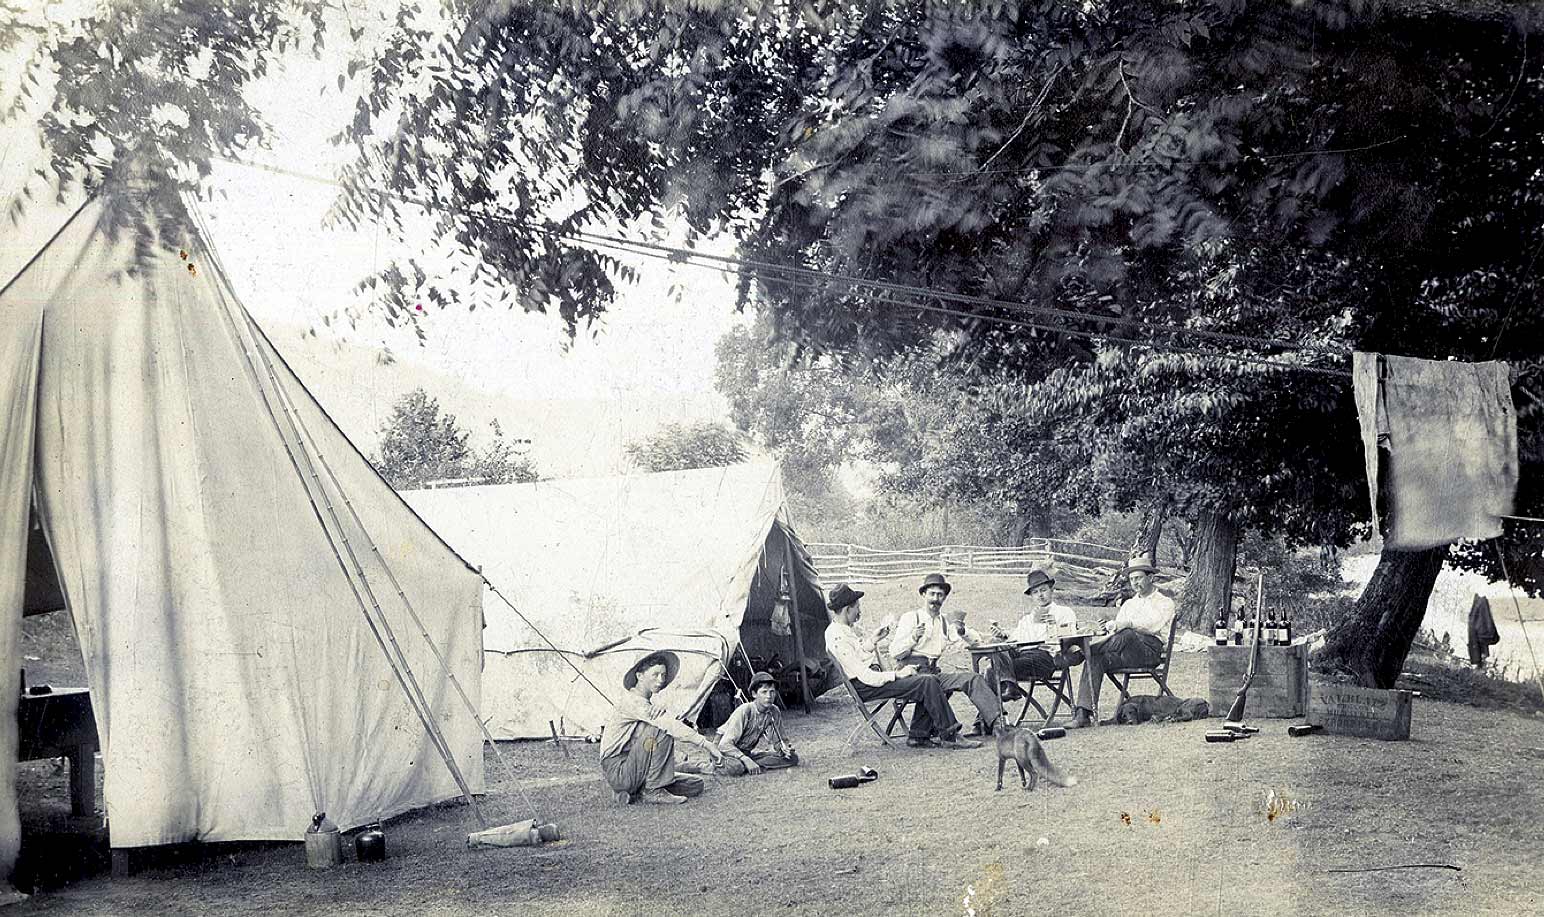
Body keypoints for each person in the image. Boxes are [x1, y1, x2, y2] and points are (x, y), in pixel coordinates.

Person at [823, 582, 981, 749]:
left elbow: (859, 655)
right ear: (848, 609)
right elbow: (865, 676)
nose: (859, 613)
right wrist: (897, 674)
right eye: (857, 608)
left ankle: (918, 736)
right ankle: (951, 736)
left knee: (927, 680)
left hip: (869, 681)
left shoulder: (841, 630)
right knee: (927, 681)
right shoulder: (838, 637)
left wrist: (874, 640)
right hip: (865, 686)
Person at [599, 650, 725, 804]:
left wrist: (660, 717)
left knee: (695, 784)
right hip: (619, 769)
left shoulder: (646, 705)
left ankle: (633, 792)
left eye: (664, 675)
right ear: (639, 676)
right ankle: (653, 790)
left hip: (636, 765)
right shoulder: (632, 701)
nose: (660, 680)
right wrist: (707, 744)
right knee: (661, 729)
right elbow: (669, 726)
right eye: (655, 674)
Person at [887, 573, 1005, 736]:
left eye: (940, 595)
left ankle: (998, 724)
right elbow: (894, 652)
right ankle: (925, 732)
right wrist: (913, 638)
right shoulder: (911, 618)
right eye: (932, 594)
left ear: (944, 598)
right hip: (910, 673)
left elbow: (974, 641)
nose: (935, 599)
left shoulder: (944, 621)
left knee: (972, 678)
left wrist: (963, 631)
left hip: (932, 672)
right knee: (932, 683)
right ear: (923, 595)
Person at [1068, 556, 1176, 729]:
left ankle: (1082, 652)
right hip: (1124, 652)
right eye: (1132, 579)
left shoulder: (1164, 602)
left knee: (1127, 633)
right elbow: (1116, 633)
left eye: (1139, 578)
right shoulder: (1129, 604)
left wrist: (1127, 625)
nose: (1135, 583)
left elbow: (1153, 626)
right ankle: (1083, 714)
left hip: (1149, 652)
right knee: (1096, 658)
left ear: (1150, 578)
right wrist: (1110, 626)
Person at [989, 569, 1085, 682]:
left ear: (1051, 590)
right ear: (1032, 596)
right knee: (995, 646)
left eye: (1043, 590)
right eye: (1035, 592)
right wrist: (1002, 635)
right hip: (1022, 655)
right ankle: (1009, 686)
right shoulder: (1027, 619)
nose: (1040, 595)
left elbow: (1069, 639)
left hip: (1045, 658)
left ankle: (1009, 686)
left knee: (993, 671)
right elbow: (1014, 640)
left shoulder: (1064, 612)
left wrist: (1053, 626)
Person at [700, 671, 799, 776]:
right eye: (764, 692)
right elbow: (724, 745)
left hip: (745, 752)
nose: (769, 696)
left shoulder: (773, 711)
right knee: (736, 768)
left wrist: (785, 749)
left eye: (772, 692)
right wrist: (745, 759)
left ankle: (747, 764)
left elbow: (779, 741)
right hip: (723, 751)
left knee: (793, 758)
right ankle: (704, 766)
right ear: (754, 694)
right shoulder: (745, 710)